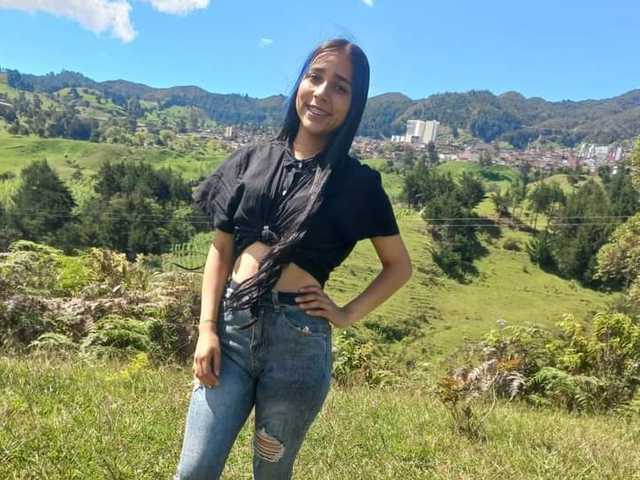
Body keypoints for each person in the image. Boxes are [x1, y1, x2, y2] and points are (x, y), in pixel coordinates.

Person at [174, 38, 412, 480]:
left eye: (340, 87)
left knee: (271, 473)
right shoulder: (251, 159)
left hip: (298, 346)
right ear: (300, 82)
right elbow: (220, 249)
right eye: (315, 77)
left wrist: (346, 314)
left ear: (354, 103)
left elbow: (399, 265)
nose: (322, 94)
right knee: (195, 469)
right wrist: (206, 328)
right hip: (232, 333)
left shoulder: (358, 184)